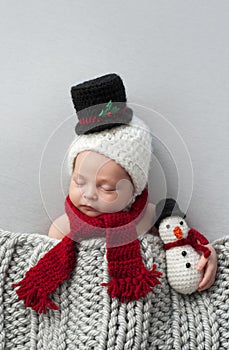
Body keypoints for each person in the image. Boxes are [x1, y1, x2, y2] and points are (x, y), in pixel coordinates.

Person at [12, 73, 217, 315]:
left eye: (106, 187)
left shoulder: (146, 218)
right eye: (79, 182)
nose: (88, 195)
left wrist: (205, 253)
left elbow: (181, 238)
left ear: (134, 191)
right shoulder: (64, 228)